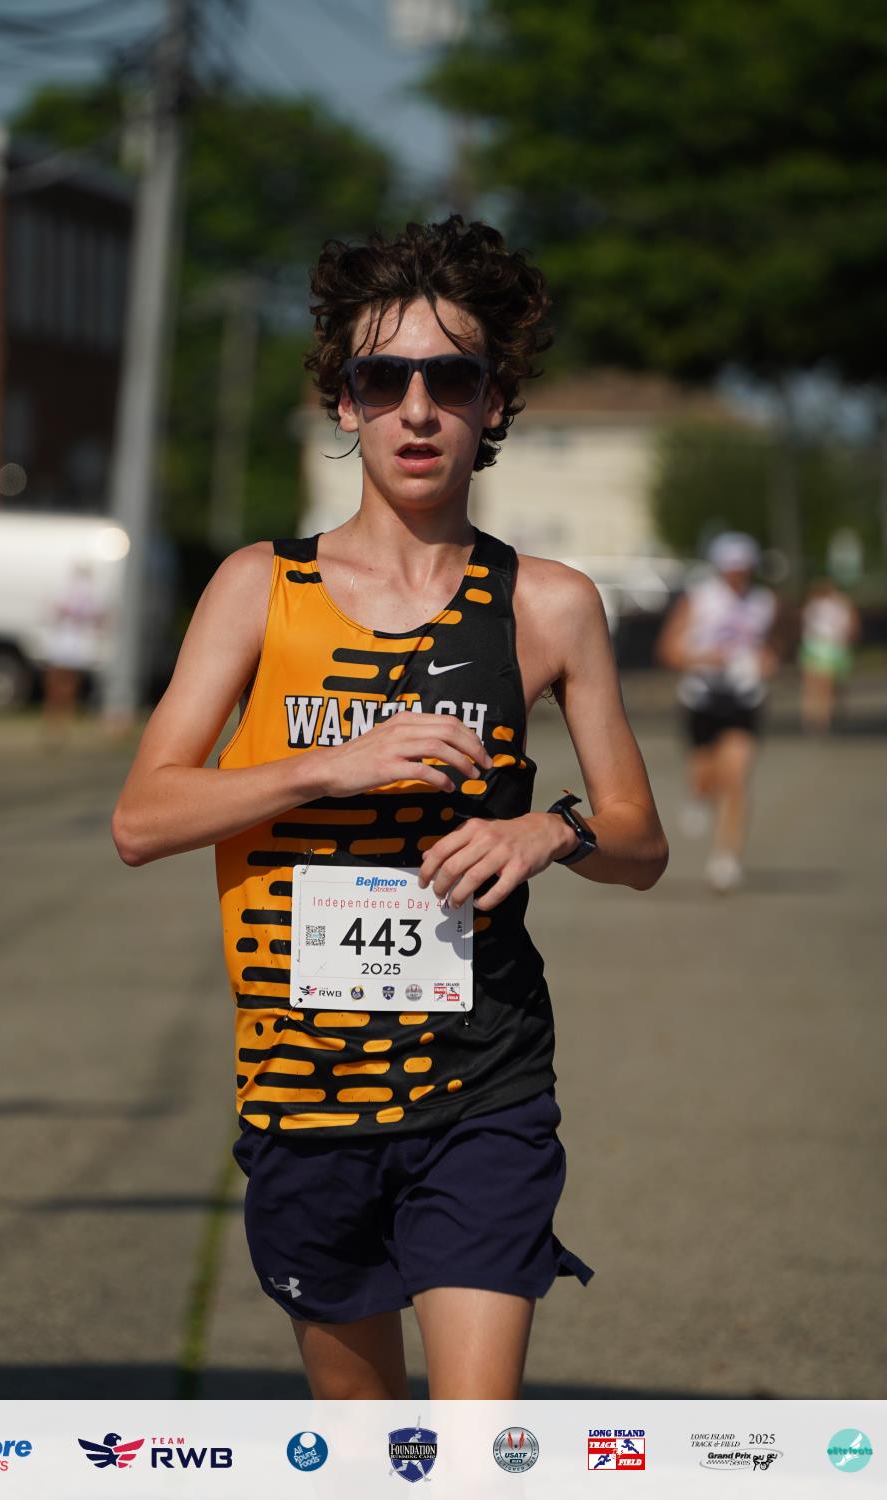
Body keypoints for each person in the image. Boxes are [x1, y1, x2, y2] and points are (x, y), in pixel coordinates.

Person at [112, 216, 668, 1399]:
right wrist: (327, 766)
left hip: (484, 1080)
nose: (417, 410)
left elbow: (639, 841)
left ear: (493, 402)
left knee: (470, 1453)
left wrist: (550, 829)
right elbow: (142, 820)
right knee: (363, 1450)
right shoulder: (258, 588)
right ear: (344, 402)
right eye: (383, 379)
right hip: (303, 1092)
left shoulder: (548, 604)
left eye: (450, 379)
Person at [656, 532, 779, 893]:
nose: (737, 575)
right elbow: (668, 650)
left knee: (736, 777)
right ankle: (697, 795)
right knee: (705, 775)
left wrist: (767, 661)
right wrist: (702, 658)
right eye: (731, 568)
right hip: (702, 698)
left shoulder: (764, 602)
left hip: (744, 699)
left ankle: (726, 859)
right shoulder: (699, 598)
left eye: (743, 568)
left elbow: (772, 647)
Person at [42, 561, 107, 740]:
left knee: (64, 682)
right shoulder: (81, 591)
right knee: (62, 682)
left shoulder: (86, 592)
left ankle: (59, 719)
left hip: (73, 643)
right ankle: (58, 719)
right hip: (68, 643)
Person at [798, 576, 860, 733]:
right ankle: (818, 718)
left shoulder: (830, 604)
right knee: (821, 686)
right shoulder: (824, 604)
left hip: (825, 647)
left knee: (820, 686)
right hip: (823, 646)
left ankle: (818, 718)